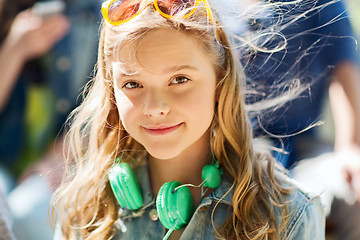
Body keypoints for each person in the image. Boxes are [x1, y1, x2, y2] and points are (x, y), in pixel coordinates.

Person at [52, 0, 325, 239]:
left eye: (179, 79)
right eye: (133, 84)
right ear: (112, 91)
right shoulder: (85, 212)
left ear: (220, 81)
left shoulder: (289, 216)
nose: (155, 108)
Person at [0, 0, 101, 239]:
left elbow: (106, 102)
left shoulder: (95, 13)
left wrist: (59, 158)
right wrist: (15, 49)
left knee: (29, 213)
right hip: (4, 161)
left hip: (65, 157)